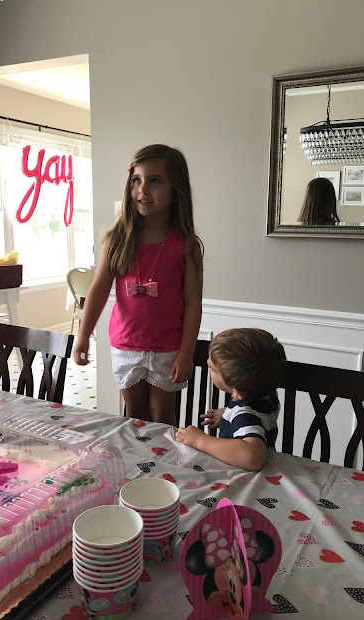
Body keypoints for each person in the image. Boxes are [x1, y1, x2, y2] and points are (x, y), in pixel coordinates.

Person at [73, 144, 203, 427]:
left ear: (176, 190)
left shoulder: (185, 245)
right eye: (136, 180)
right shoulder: (117, 239)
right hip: (126, 344)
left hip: (167, 348)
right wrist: (83, 335)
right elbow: (98, 289)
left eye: (155, 180)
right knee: (135, 416)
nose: (142, 189)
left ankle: (163, 458)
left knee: (162, 416)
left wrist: (186, 353)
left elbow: (194, 304)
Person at [175, 328, 286, 471]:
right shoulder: (267, 394)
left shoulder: (245, 416)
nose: (208, 362)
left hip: (241, 476)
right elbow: (259, 413)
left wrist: (199, 440)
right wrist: (229, 413)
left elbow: (253, 457)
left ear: (237, 391)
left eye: (212, 368)